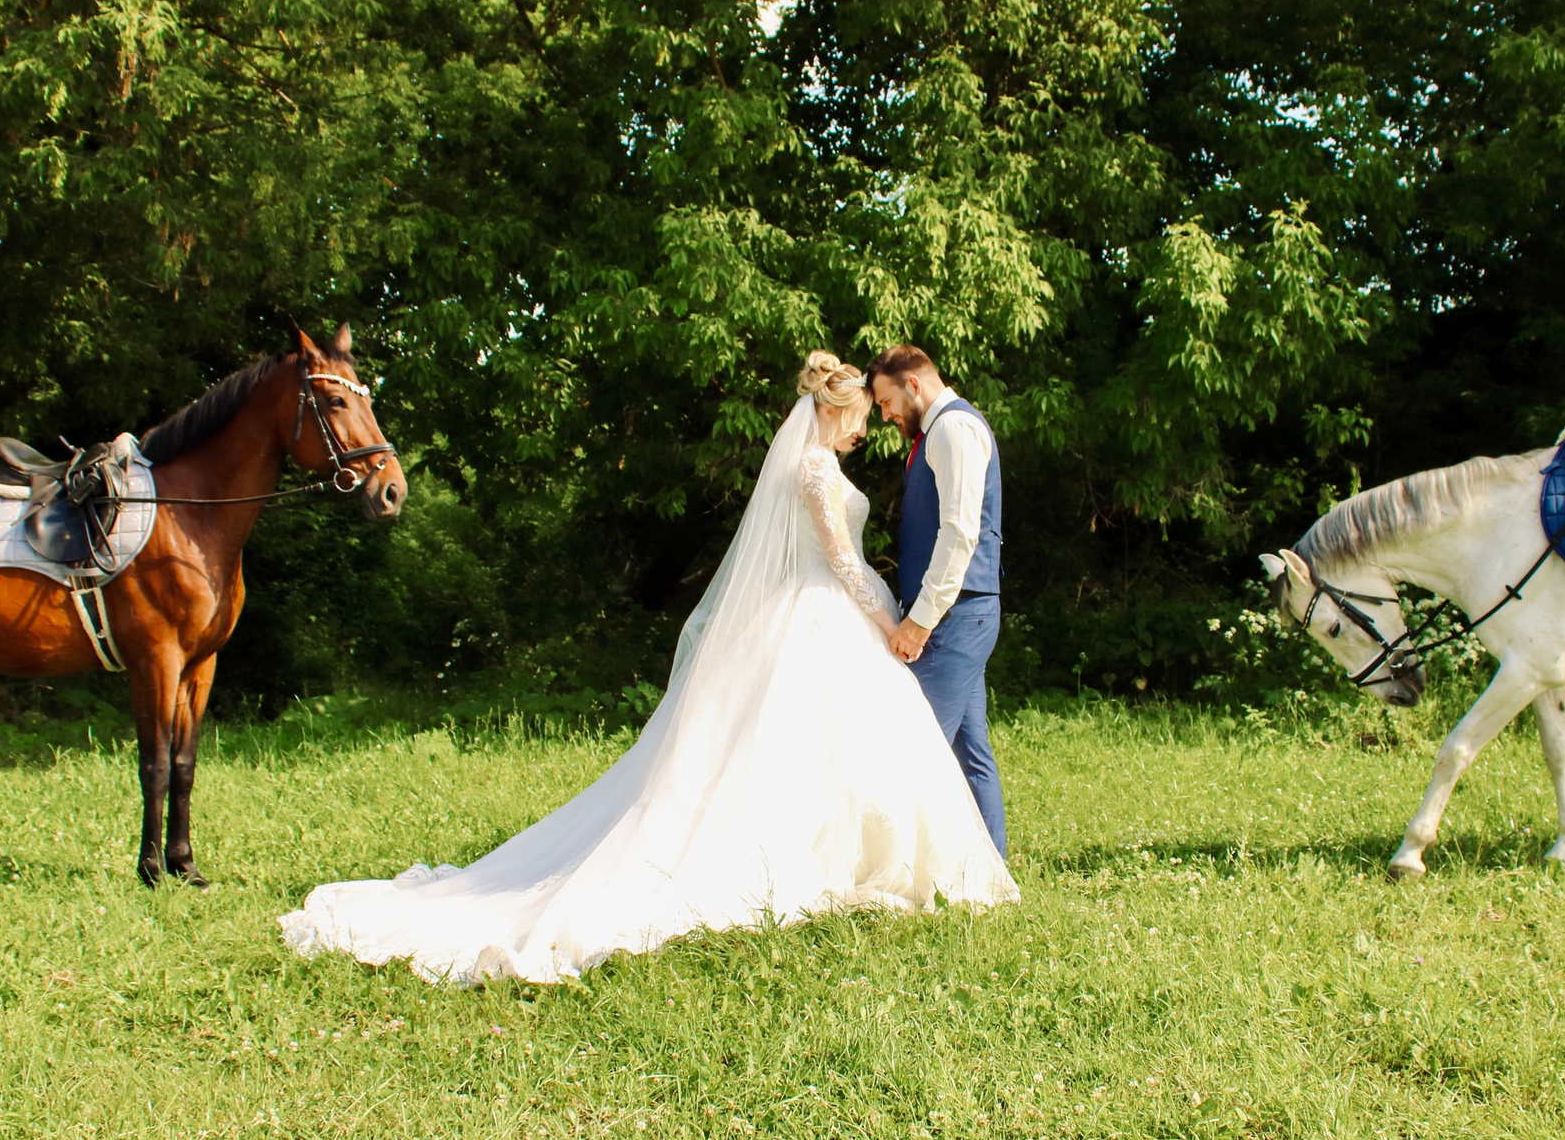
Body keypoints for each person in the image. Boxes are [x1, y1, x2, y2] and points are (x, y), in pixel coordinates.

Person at [278, 352, 1017, 983]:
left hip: (821, 616)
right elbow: (845, 563)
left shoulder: (834, 461)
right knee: (845, 746)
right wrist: (894, 622)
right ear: (837, 408)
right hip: (825, 611)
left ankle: (902, 860)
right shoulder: (818, 471)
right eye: (864, 414)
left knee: (840, 748)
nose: (869, 427)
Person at [866, 345, 1005, 854]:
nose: (885, 415)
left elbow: (959, 534)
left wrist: (920, 621)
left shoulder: (954, 429)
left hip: (955, 617)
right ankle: (991, 870)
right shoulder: (935, 432)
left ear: (913, 384)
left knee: (912, 747)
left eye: (886, 401)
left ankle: (903, 871)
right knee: (971, 753)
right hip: (958, 614)